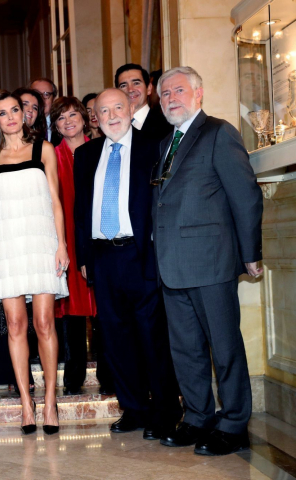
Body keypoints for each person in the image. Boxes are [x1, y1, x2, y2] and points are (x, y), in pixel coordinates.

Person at [153, 67, 263, 456]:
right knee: (186, 350)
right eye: (165, 94)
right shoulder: (166, 142)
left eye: (179, 90)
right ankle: (198, 416)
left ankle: (233, 424)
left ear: (198, 93)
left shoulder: (218, 132)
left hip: (211, 262)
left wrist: (250, 253)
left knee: (224, 345)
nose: (171, 98)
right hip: (172, 265)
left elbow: (246, 195)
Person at [73, 88, 182, 441]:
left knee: (152, 337)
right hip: (103, 257)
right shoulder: (86, 154)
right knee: (115, 338)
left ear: (131, 108)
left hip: (141, 254)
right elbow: (80, 210)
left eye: (118, 108)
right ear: (96, 118)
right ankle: (133, 408)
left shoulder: (155, 147)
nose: (111, 116)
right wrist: (84, 257)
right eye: (103, 111)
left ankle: (165, 411)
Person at [0, 90, 69, 435]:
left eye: (15, 109)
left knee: (44, 323)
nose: (11, 117)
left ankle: (50, 401)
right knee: (15, 325)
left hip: (42, 243)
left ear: (24, 113)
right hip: (7, 246)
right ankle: (26, 404)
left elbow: (56, 201)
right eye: (2, 113)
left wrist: (61, 245)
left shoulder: (43, 149)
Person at [50, 97, 98, 396]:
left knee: (104, 308)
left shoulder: (102, 148)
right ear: (55, 126)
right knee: (71, 310)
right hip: (64, 236)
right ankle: (73, 377)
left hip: (97, 237)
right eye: (61, 117)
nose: (68, 121)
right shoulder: (51, 156)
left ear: (84, 118)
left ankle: (110, 373)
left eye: (72, 115)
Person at [115, 64, 172, 142]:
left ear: (149, 88)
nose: (130, 90)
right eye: (123, 85)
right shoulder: (112, 125)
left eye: (136, 83)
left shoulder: (167, 126)